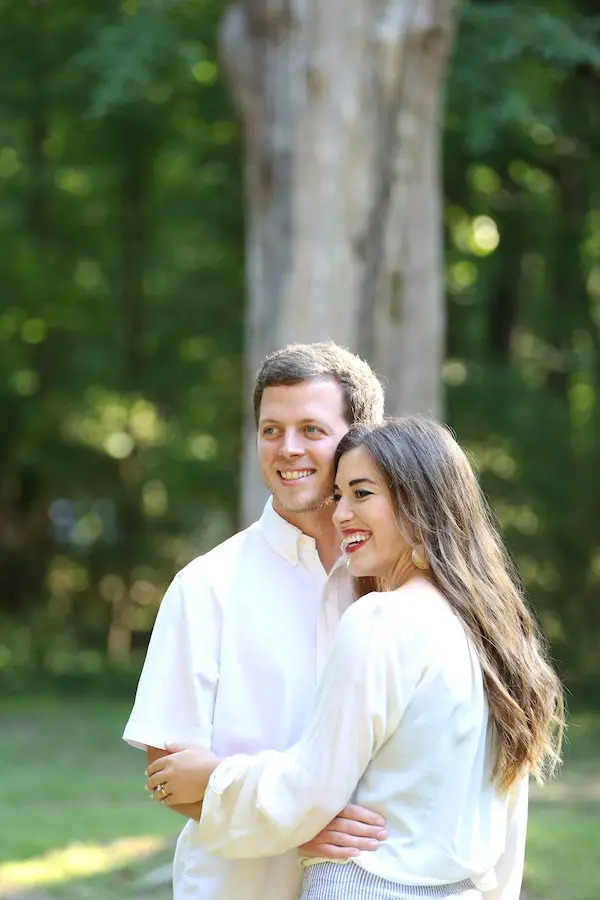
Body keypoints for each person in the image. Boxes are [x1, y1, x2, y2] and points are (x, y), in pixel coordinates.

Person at [147, 417, 565, 900]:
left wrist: (212, 778)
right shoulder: (500, 632)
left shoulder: (381, 621)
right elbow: (508, 821)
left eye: (362, 494)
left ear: (421, 501)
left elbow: (310, 791)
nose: (342, 513)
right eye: (339, 495)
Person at [123, 342, 386, 900]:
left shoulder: (397, 585)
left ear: (357, 441)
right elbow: (169, 777)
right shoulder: (206, 585)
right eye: (272, 430)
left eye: (312, 429)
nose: (287, 449)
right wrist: (304, 824)